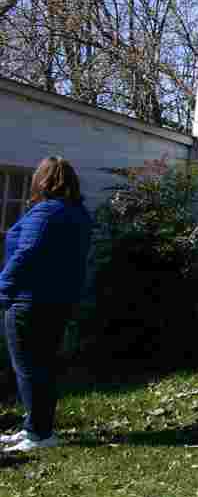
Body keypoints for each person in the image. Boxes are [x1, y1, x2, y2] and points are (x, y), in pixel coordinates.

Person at [0, 157, 93, 453]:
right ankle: (37, 427)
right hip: (60, 300)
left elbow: (26, 253)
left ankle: (39, 434)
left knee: (28, 367)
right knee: (44, 366)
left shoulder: (45, 212)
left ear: (43, 180)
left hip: (30, 300)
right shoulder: (78, 214)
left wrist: (3, 289)